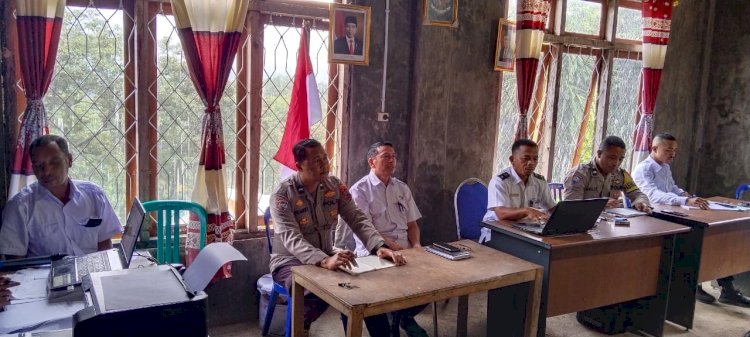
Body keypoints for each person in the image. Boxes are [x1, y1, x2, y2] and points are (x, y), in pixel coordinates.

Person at [269, 139, 405, 336]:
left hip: (328, 254)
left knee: (366, 288)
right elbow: (291, 238)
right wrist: (324, 260)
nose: (324, 164)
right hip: (289, 262)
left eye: (325, 158)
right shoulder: (282, 195)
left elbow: (357, 217)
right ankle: (299, 328)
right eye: (317, 160)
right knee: (320, 291)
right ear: (299, 166)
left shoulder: (334, 186)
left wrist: (379, 246)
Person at [633, 133, 750, 307]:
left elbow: (671, 187)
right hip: (652, 216)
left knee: (716, 236)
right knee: (696, 238)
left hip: (671, 212)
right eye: (668, 150)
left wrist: (683, 194)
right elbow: (653, 196)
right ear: (654, 149)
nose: (672, 154)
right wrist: (685, 201)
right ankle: (691, 283)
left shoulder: (664, 166)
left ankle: (727, 288)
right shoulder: (644, 169)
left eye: (675, 150)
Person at [335, 141, 428, 337]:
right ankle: (391, 321)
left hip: (407, 250)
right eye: (386, 156)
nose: (392, 161)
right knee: (374, 298)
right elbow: (369, 230)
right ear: (372, 161)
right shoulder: (360, 190)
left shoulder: (402, 188)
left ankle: (404, 317)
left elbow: (412, 225)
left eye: (394, 156)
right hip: (374, 252)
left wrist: (417, 246)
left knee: (436, 282)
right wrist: (397, 249)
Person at [0, 135, 122, 258]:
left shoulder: (94, 195)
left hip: (93, 273)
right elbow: (15, 262)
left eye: (54, 162)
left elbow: (105, 244)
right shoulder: (20, 206)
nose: (46, 171)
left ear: (69, 160)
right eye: (38, 165)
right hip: (44, 276)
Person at [563, 135, 651, 212]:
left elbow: (637, 194)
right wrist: (599, 205)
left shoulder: (621, 175)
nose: (616, 163)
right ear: (599, 154)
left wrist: (641, 202)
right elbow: (571, 207)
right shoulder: (580, 174)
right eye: (612, 157)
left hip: (610, 224)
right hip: (582, 224)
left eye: (620, 159)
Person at [483, 139, 556, 222]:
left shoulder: (539, 182)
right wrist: (527, 211)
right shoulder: (500, 181)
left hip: (523, 229)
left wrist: (567, 212)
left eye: (535, 159)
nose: (531, 163)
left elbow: (552, 208)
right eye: (525, 158)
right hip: (496, 229)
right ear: (512, 159)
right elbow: (501, 213)